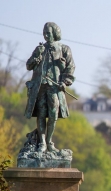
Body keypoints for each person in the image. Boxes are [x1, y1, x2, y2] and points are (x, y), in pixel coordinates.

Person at [25, 22, 75, 152]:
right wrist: (36, 57)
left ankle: (49, 141)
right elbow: (28, 65)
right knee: (41, 114)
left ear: (55, 33)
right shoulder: (40, 49)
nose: (46, 36)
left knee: (53, 113)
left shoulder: (64, 49)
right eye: (44, 33)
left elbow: (70, 68)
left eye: (48, 33)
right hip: (40, 86)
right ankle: (42, 143)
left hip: (54, 87)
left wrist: (64, 82)